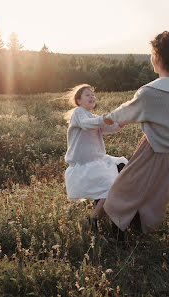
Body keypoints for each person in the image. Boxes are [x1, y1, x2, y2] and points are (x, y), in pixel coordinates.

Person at [102, 30, 169, 237]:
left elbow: (127, 111)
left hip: (151, 148)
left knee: (124, 188)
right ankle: (142, 230)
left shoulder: (150, 91)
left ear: (157, 57)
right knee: (155, 192)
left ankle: (118, 235)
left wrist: (108, 118)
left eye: (152, 53)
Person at [64, 84, 127, 228]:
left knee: (113, 188)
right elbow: (87, 124)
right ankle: (94, 219)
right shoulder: (78, 113)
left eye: (93, 94)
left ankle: (95, 219)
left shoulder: (91, 116)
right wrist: (105, 118)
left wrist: (122, 122)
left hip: (97, 161)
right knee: (110, 189)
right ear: (79, 101)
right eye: (87, 94)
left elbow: (108, 127)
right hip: (85, 164)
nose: (92, 97)